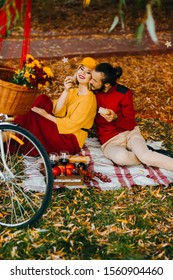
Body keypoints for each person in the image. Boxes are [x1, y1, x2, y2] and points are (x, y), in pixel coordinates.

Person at [89, 62, 173, 172]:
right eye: (91, 77)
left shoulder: (124, 93)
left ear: (107, 84)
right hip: (109, 140)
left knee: (145, 156)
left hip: (130, 133)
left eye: (94, 80)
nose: (90, 81)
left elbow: (130, 123)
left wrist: (116, 119)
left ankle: (148, 156)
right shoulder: (91, 93)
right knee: (121, 158)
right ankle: (151, 155)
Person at [13, 57, 97, 155]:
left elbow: (71, 125)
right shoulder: (73, 91)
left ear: (92, 78)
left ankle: (14, 131)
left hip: (70, 140)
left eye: (88, 72)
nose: (83, 73)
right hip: (62, 130)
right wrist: (66, 90)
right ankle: (16, 131)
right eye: (81, 69)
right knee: (43, 100)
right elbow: (57, 112)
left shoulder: (89, 99)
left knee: (36, 115)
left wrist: (45, 115)